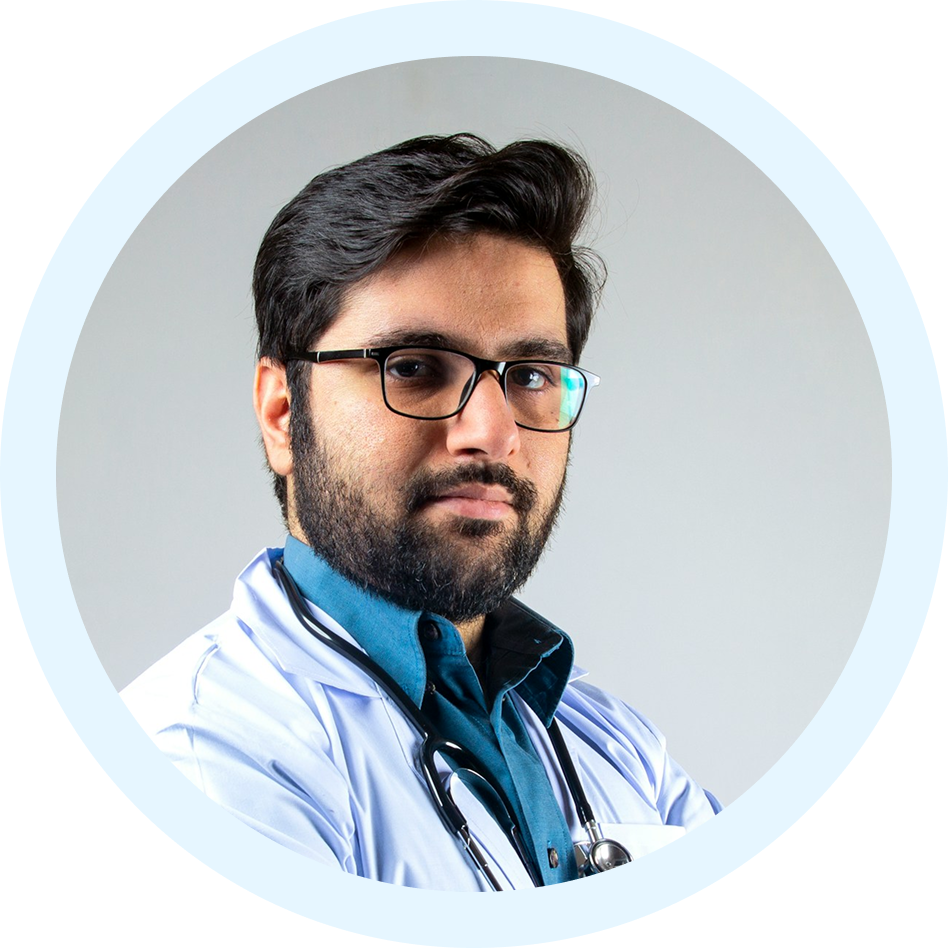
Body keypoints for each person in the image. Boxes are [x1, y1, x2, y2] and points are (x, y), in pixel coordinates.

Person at [121, 133, 719, 891]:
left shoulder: (617, 746)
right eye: (413, 367)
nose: (493, 432)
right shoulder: (199, 755)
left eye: (532, 376)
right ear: (282, 412)